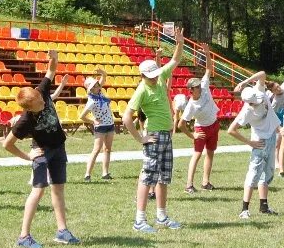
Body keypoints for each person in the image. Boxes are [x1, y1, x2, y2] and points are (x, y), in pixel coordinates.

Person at [3, 50, 79, 248]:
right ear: (30, 108)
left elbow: (51, 69)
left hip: (58, 148)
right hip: (42, 153)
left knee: (59, 189)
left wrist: (53, 57)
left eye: (42, 98)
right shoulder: (25, 121)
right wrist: (28, 156)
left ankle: (62, 231)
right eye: (40, 103)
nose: (44, 102)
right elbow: (7, 144)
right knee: (38, 191)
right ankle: (24, 236)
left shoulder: (41, 91)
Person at [122, 27, 186, 233]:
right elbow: (126, 118)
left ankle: (161, 216)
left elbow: (175, 60)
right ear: (142, 75)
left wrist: (179, 43)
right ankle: (139, 220)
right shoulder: (142, 89)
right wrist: (140, 138)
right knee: (147, 176)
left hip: (165, 135)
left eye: (155, 74)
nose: (153, 78)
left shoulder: (159, 78)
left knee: (163, 177)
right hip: (154, 136)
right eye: (149, 75)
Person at [226, 73, 280, 219]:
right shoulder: (247, 111)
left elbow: (262, 73)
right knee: (253, 174)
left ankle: (264, 206)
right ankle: (244, 209)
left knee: (266, 175)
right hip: (260, 143)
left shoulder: (259, 91)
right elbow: (231, 130)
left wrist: (244, 82)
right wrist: (250, 143)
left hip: (271, 139)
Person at [179, 44, 221, 193]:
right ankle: (189, 185)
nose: (199, 87)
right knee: (197, 155)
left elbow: (209, 69)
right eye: (196, 86)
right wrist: (192, 135)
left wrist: (208, 53)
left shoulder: (204, 86)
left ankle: (205, 182)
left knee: (210, 153)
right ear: (191, 90)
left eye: (198, 85)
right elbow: (181, 124)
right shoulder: (191, 106)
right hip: (201, 129)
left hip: (214, 125)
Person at [78, 68, 115, 181]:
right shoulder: (91, 101)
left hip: (110, 124)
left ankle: (105, 173)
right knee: (96, 149)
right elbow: (82, 116)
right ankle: (87, 174)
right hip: (101, 127)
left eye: (97, 85)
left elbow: (104, 76)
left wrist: (101, 72)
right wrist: (93, 121)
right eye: (93, 86)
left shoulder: (100, 93)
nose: (97, 87)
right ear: (90, 89)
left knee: (107, 149)